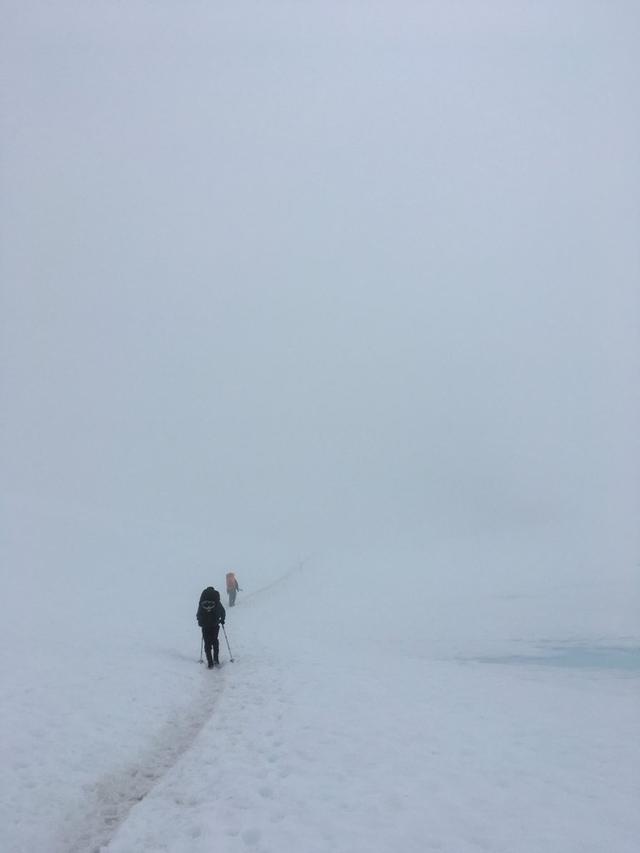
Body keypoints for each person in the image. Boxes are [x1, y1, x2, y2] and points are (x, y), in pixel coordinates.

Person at [196, 587, 226, 668]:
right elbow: (222, 611)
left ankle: (210, 662)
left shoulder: (202, 600)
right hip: (214, 623)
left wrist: (200, 621)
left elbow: (198, 613)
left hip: (205, 625)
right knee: (215, 640)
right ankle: (216, 659)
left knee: (207, 642)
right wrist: (222, 620)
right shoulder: (216, 600)